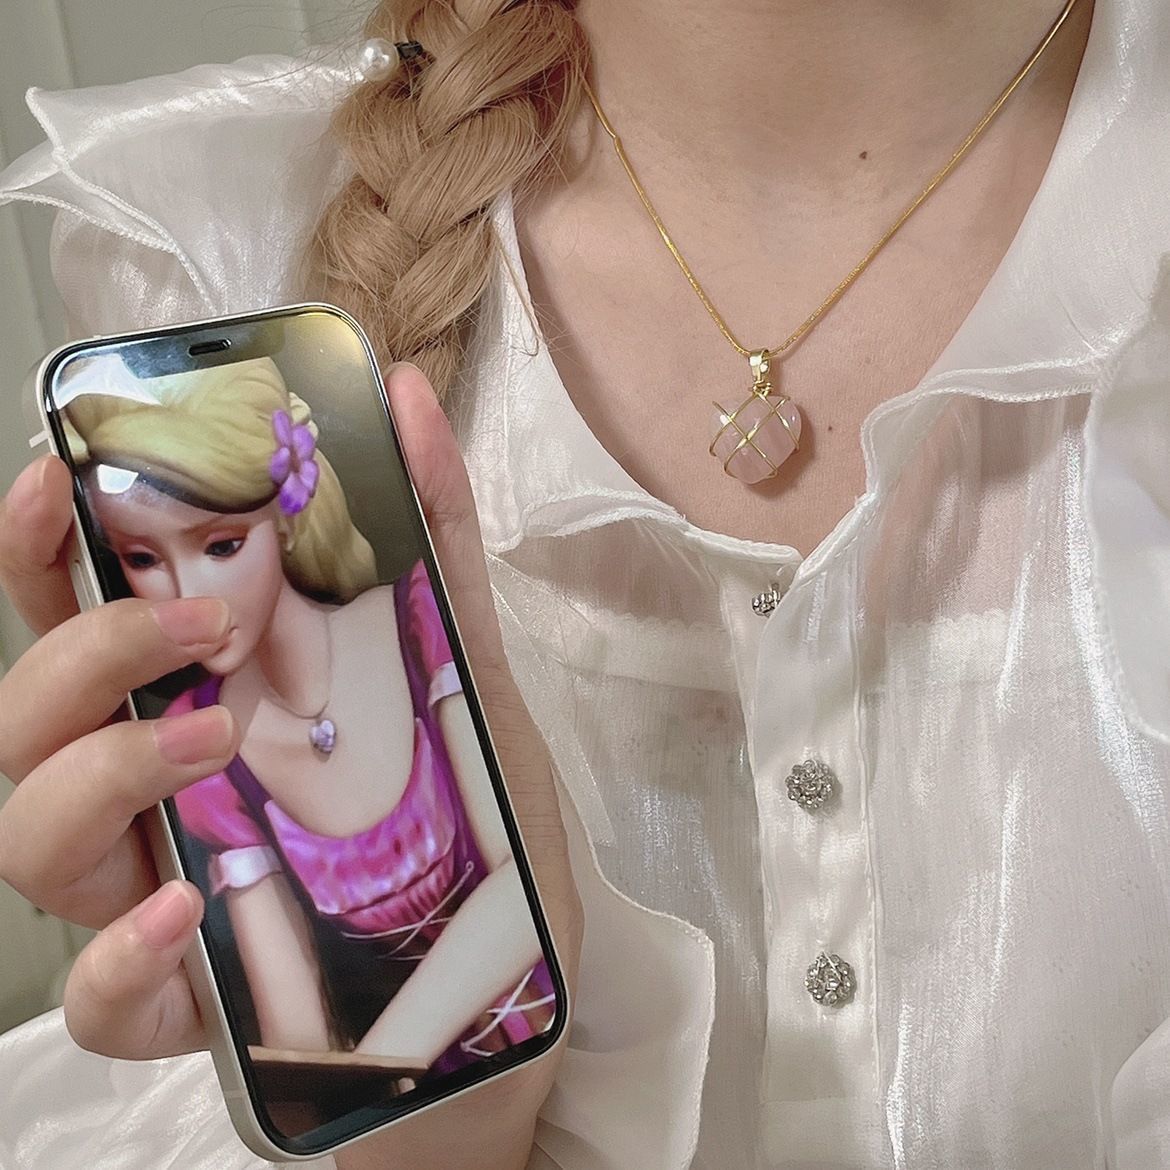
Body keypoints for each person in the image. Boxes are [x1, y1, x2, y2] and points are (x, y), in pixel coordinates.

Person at [0, 0, 1169, 1168]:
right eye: (158, 558)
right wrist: (442, 1122)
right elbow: (355, 1080)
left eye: (213, 543)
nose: (191, 580)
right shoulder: (221, 244)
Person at [61, 356, 554, 1080]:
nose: (188, 595)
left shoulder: (417, 616)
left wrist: (379, 1063)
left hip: (546, 1022)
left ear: (285, 518)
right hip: (419, 1099)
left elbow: (520, 885)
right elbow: (300, 1034)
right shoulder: (204, 753)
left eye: (222, 545)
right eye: (142, 558)